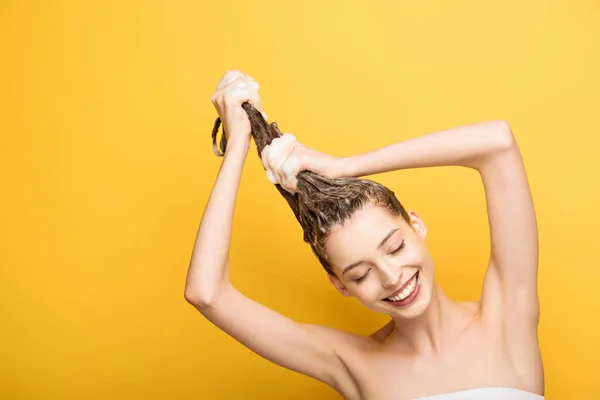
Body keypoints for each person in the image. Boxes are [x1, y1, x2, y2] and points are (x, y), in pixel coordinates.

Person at [184, 70, 544, 399]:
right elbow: (206, 293)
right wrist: (237, 145)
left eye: (395, 247)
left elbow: (497, 143)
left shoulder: (507, 318)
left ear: (415, 226)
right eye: (361, 274)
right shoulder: (352, 364)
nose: (391, 278)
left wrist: (346, 166)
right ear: (340, 284)